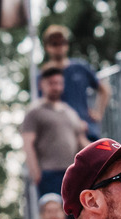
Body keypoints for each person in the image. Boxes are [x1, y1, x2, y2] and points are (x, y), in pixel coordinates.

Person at [23, 66, 88, 198]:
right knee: (54, 216)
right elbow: (27, 144)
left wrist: (103, 151)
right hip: (49, 174)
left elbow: (81, 142)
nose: (56, 87)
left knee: (73, 216)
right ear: (42, 84)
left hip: (72, 173)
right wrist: (35, 173)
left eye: (59, 83)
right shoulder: (34, 112)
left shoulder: (70, 112)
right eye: (52, 83)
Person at [41, 25, 112, 140]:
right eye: (54, 43)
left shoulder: (80, 67)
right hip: (61, 136)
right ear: (47, 47)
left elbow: (104, 89)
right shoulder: (43, 76)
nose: (59, 47)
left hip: (87, 131)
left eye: (62, 42)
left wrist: (98, 113)